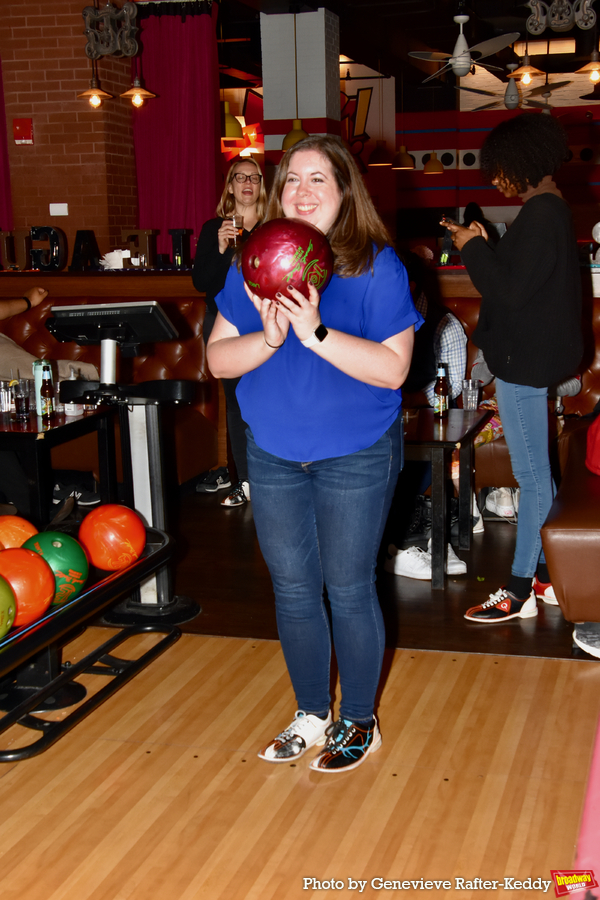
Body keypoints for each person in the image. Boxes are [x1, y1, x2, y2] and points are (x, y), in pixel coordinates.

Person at [207, 135, 421, 772]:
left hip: (355, 453)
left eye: (317, 180)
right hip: (272, 450)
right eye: (291, 179)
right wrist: (269, 339)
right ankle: (310, 711)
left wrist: (315, 331)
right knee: (294, 590)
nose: (300, 190)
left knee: (348, 587)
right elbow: (218, 359)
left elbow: (392, 370)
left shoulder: (377, 266)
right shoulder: (251, 264)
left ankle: (358, 719)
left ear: (344, 192)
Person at [443, 112, 583, 624]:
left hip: (525, 363)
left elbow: (508, 289)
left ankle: (519, 589)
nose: (497, 179)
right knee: (538, 475)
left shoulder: (543, 212)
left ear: (523, 162)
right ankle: (544, 574)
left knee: (533, 479)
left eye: (501, 169)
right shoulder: (551, 210)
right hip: (533, 356)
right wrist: (485, 244)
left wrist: (472, 246)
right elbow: (525, 282)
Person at [192, 156, 267, 506]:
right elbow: (202, 282)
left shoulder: (274, 225)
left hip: (267, 322)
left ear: (261, 184)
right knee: (237, 404)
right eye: (240, 177)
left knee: (269, 398)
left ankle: (275, 474)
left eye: (253, 177)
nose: (247, 183)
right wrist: (222, 250)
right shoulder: (214, 228)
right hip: (224, 323)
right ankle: (248, 482)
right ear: (231, 185)